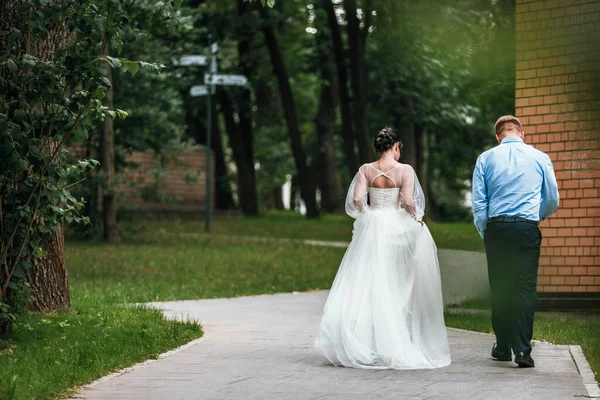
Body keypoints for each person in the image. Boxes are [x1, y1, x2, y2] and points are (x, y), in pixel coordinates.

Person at [314, 127, 451, 370]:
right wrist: (416, 218)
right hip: (395, 228)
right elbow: (408, 201)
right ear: (395, 146)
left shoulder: (366, 170)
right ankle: (391, 340)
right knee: (394, 282)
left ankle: (363, 341)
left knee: (365, 282)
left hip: (372, 226)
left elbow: (357, 200)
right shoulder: (405, 170)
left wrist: (367, 216)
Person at [472, 115, 559, 368]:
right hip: (526, 228)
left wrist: (485, 230)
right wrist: (535, 215)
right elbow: (552, 198)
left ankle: (501, 347)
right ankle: (522, 351)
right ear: (521, 133)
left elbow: (479, 204)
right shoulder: (540, 157)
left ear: (498, 137)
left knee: (500, 287)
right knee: (524, 288)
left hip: (497, 229)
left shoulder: (485, 158)